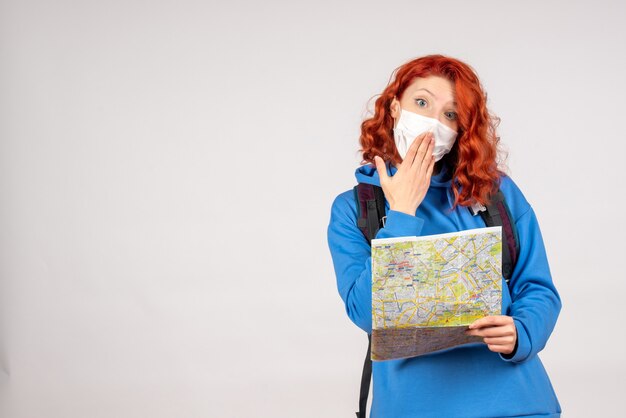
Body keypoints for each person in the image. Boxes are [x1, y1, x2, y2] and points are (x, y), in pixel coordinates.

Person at [327, 55, 561, 418]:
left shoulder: (495, 193)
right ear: (393, 107)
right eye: (421, 103)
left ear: (460, 130)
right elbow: (366, 314)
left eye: (450, 114)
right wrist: (402, 213)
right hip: (410, 408)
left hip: (516, 405)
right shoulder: (355, 208)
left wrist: (522, 332)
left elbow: (538, 288)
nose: (433, 123)